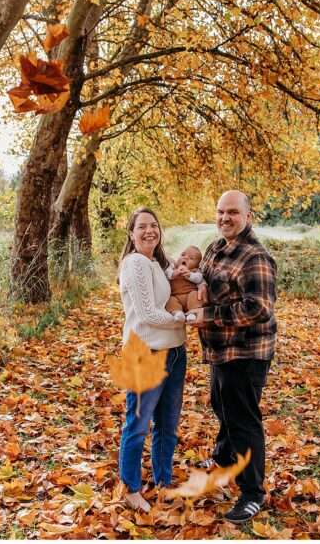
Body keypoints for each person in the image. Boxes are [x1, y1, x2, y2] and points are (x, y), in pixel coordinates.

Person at [187, 190, 277, 524]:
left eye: (233, 213)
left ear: (248, 216)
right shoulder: (216, 248)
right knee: (220, 404)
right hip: (220, 349)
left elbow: (259, 308)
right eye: (220, 211)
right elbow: (206, 282)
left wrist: (211, 315)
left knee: (242, 419)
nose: (225, 217)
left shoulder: (255, 257)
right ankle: (223, 458)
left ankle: (253, 493)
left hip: (246, 351)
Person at [116, 207, 187, 513]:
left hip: (174, 353)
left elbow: (182, 286)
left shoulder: (157, 263)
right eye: (142, 226)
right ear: (131, 234)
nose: (149, 231)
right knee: (138, 425)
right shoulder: (134, 263)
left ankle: (163, 481)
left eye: (154, 225)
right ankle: (131, 488)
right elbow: (147, 313)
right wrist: (184, 321)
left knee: (168, 425)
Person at [165, 245, 205, 322]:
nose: (185, 258)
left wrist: (189, 275)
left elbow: (199, 279)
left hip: (189, 295)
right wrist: (174, 274)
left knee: (195, 295)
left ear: (197, 265)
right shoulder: (172, 267)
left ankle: (193, 313)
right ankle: (177, 313)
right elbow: (168, 274)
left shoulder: (194, 271)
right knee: (170, 300)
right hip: (176, 296)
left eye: (191, 258)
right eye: (183, 255)